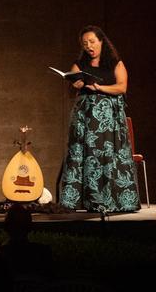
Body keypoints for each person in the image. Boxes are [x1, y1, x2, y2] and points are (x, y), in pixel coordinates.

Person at [56, 26, 140, 212]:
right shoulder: (79, 65)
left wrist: (99, 88)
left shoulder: (115, 63)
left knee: (108, 157)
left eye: (92, 42)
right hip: (85, 119)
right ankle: (84, 200)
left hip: (109, 121)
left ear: (102, 41)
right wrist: (75, 85)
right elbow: (71, 91)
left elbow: (122, 87)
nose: (89, 46)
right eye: (85, 43)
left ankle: (114, 200)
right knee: (86, 156)